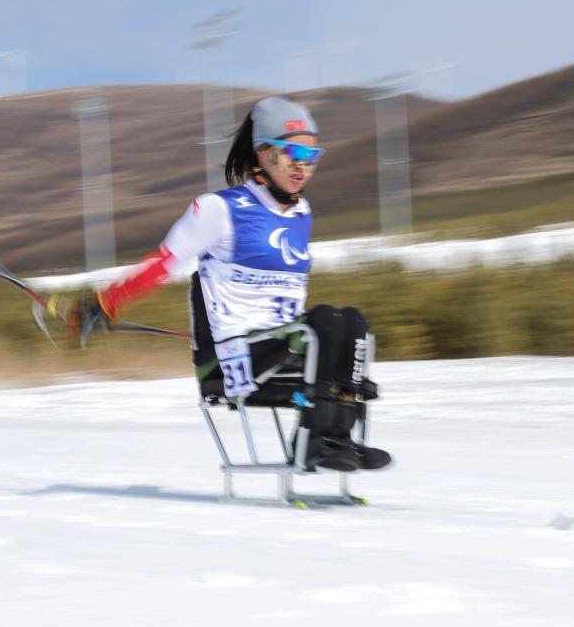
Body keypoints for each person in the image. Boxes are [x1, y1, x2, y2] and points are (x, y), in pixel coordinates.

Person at [55, 97, 392, 473]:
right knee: (327, 320)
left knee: (352, 321)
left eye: (313, 156)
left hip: (284, 344)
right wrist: (104, 303)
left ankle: (337, 438)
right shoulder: (219, 209)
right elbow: (163, 263)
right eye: (294, 153)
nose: (303, 166)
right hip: (236, 355)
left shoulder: (301, 212)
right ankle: (314, 443)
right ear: (264, 153)